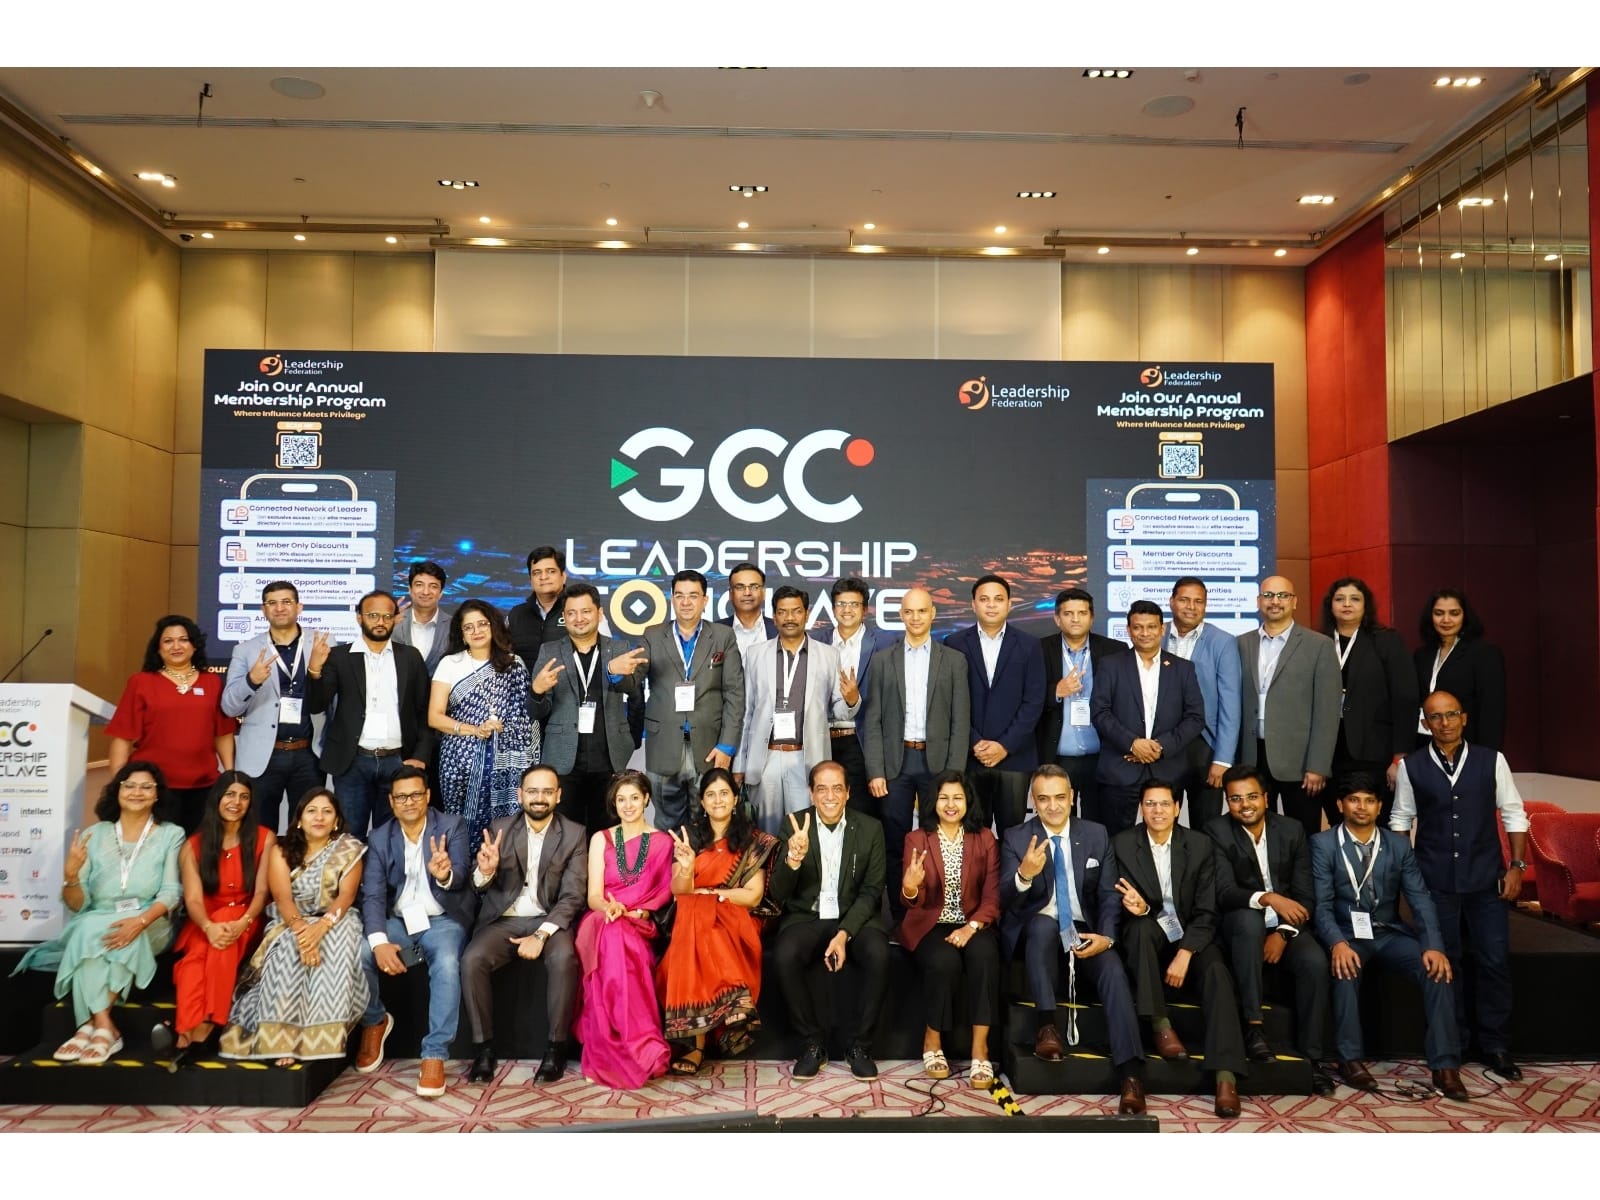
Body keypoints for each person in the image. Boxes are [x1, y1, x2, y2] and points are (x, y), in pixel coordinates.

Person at [1391, 691, 1527, 1081]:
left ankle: (1496, 1045)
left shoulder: (1492, 760)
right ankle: (1455, 1042)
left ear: (1464, 718)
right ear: (1425, 723)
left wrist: (1517, 867)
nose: (1445, 723)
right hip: (1434, 882)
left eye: (1451, 715)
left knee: (1493, 961)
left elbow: (1513, 813)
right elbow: (1401, 820)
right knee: (1446, 963)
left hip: (1486, 880)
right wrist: (1407, 875)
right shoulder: (1411, 766)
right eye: (1435, 717)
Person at [14, 762, 184, 1065]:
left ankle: (87, 1026)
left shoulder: (171, 834)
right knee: (87, 928)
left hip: (150, 920)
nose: (137, 792)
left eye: (146, 787)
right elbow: (78, 905)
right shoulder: (95, 834)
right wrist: (70, 876)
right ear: (117, 790)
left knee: (106, 933)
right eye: (129, 785)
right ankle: (103, 1025)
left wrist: (140, 921)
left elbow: (171, 893)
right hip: (97, 917)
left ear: (157, 795)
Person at [999, 765, 1147, 1115]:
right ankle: (1047, 1027)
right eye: (1043, 799)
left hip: (1085, 927)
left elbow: (1109, 896)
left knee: (1112, 970)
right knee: (1040, 926)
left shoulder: (1096, 834)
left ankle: (1131, 1075)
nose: (1052, 806)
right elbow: (1004, 900)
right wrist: (1024, 875)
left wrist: (1107, 937)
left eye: (1059, 797)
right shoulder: (1016, 837)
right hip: (1040, 925)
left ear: (1072, 797)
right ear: (1033, 801)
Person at [1312, 772, 1466, 1101]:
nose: (1362, 807)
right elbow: (1321, 905)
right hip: (1348, 934)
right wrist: (1337, 943)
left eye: (1369, 801)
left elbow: (1420, 899)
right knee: (1345, 969)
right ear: (1340, 805)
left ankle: (1445, 1066)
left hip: (1388, 932)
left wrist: (1433, 946)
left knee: (1437, 970)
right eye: (1354, 800)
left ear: (1380, 807)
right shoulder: (1323, 845)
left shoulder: (1398, 845)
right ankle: (1350, 1060)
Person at [1111, 782, 1248, 1118]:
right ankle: (1160, 1024)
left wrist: (1186, 952)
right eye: (1150, 804)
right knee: (1140, 930)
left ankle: (1226, 1078)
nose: (1157, 811)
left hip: (1194, 933)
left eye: (1164, 804)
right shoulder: (1123, 844)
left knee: (1217, 972)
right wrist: (1140, 908)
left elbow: (1207, 910)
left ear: (1177, 808)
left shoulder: (1200, 845)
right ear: (1141, 808)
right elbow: (1120, 903)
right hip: (1150, 930)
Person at [1205, 765, 1333, 1093]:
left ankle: (1313, 1059)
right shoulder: (1216, 831)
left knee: (1314, 961)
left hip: (1286, 926)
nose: (1244, 805)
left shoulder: (1292, 830)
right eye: (1235, 799)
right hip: (1238, 922)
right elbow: (1224, 892)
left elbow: (1305, 897)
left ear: (1265, 798)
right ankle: (1254, 1027)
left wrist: (1283, 934)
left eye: (1251, 797)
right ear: (1227, 801)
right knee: (1249, 921)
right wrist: (1269, 898)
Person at [219, 787, 369, 1066]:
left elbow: (346, 896)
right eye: (311, 811)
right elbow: (283, 898)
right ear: (299, 819)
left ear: (336, 821)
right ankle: (282, 1039)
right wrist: (303, 934)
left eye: (327, 812)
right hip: (291, 919)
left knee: (336, 946)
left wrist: (320, 929)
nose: (319, 817)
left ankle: (318, 1037)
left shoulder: (349, 849)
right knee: (287, 950)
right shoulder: (281, 850)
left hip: (335, 918)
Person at [461, 764, 588, 1085]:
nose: (539, 798)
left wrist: (541, 935)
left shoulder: (574, 834)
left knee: (564, 958)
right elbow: (478, 885)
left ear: (558, 795)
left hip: (549, 919)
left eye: (547, 791)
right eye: (532, 791)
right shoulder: (501, 828)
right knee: (472, 959)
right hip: (503, 919)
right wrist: (485, 872)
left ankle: (556, 1048)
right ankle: (484, 1050)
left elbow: (573, 896)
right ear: (520, 795)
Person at [354, 765, 472, 1098]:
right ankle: (375, 1021)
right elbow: (373, 894)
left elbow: (462, 875)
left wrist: (444, 874)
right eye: (402, 797)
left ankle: (434, 1054)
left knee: (446, 963)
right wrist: (379, 942)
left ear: (427, 796)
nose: (409, 802)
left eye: (416, 794)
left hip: (443, 920)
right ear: (391, 802)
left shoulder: (451, 826)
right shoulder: (380, 837)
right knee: (360, 952)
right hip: (401, 921)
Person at [769, 760, 891, 1080]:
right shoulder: (795, 825)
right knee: (784, 955)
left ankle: (860, 1047)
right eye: (821, 789)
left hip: (854, 916)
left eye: (837, 788)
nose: (830, 796)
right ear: (811, 793)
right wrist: (793, 859)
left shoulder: (870, 828)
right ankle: (812, 1044)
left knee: (879, 953)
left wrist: (844, 933)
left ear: (848, 792)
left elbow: (872, 891)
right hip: (807, 915)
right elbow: (778, 892)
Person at [658, 767, 779, 1074]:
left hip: (738, 918)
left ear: (736, 799)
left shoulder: (753, 840)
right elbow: (679, 892)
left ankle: (695, 1046)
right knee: (695, 916)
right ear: (701, 801)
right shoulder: (689, 839)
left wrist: (709, 894)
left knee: (698, 918)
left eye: (724, 793)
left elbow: (752, 897)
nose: (718, 800)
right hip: (694, 921)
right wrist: (686, 868)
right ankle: (734, 1002)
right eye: (710, 794)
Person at [154, 771, 274, 1072]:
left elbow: (262, 892)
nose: (236, 802)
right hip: (204, 921)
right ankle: (188, 1033)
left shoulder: (264, 838)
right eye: (230, 794)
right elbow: (193, 900)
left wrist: (244, 921)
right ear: (217, 799)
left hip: (246, 918)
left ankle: (205, 1025)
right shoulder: (193, 845)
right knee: (192, 962)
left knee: (222, 944)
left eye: (244, 797)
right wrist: (208, 926)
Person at [861, 586, 970, 916]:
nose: (915, 617)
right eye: (909, 611)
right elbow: (873, 720)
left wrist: (953, 775)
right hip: (896, 763)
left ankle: (935, 913)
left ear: (933, 614)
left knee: (938, 840)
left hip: (938, 764)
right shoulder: (883, 660)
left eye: (922, 611)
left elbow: (960, 720)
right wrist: (876, 770)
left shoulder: (953, 661)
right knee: (895, 841)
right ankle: (900, 915)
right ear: (901, 615)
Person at [898, 771, 1001, 1088]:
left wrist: (971, 927)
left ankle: (980, 1049)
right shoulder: (917, 839)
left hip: (974, 920)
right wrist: (910, 887)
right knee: (944, 961)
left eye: (958, 797)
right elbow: (911, 902)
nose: (951, 804)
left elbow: (992, 897)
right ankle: (932, 1039)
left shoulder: (985, 838)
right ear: (933, 802)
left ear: (969, 801)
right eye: (944, 797)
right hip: (930, 921)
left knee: (985, 956)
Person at [573, 771, 674, 1089]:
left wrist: (639, 911)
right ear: (613, 804)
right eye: (621, 799)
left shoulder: (663, 842)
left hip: (640, 922)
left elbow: (664, 892)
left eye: (634, 798)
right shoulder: (600, 839)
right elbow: (593, 895)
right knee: (613, 934)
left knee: (623, 942)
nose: (628, 805)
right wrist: (610, 908)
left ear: (646, 799)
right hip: (602, 918)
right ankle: (620, 1048)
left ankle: (638, 1044)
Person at [307, 590, 435, 839]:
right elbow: (316, 704)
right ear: (359, 618)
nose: (380, 622)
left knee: (393, 838)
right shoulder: (339, 657)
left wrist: (420, 756)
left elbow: (423, 711)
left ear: (395, 619)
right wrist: (314, 670)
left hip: (398, 761)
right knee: (349, 837)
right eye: (373, 615)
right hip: (353, 761)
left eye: (387, 616)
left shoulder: (410, 657)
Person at [735, 584, 857, 835]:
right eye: (782, 612)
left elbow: (839, 711)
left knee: (804, 832)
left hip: (806, 758)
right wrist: (740, 763)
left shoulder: (828, 655)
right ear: (774, 616)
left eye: (796, 611)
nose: (789, 618)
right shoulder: (755, 654)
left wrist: (851, 700)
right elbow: (746, 712)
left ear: (806, 614)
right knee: (766, 835)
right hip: (766, 758)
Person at [531, 582, 645, 835]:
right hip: (563, 760)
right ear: (564, 616)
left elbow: (635, 694)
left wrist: (631, 739)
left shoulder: (619, 649)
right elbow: (536, 712)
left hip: (610, 760)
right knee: (563, 835)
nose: (579, 618)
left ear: (599, 613)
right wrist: (536, 692)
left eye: (585, 611)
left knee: (607, 836)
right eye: (571, 613)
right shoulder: (549, 651)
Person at [106, 615, 236, 834]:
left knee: (198, 848)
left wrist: (230, 775)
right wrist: (118, 784)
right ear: (158, 648)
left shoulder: (212, 682)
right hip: (153, 787)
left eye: (183, 640)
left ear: (194, 645)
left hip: (204, 786)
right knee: (156, 849)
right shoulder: (141, 682)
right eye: (168, 641)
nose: (176, 646)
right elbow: (123, 737)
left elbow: (222, 734)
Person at [1235, 575, 1342, 840]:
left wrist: (1318, 765)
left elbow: (1327, 713)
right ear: (1258, 601)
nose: (1275, 601)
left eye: (1282, 595)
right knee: (1257, 835)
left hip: (1300, 763)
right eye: (1268, 595)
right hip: (1253, 757)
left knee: (1302, 835)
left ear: (1294, 602)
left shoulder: (1319, 646)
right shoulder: (1241, 644)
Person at [428, 599, 538, 853]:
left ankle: (502, 873)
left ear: (493, 626)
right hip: (459, 761)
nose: (476, 631)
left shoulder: (513, 664)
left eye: (482, 624)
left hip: (507, 763)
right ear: (461, 634)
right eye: (469, 627)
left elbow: (527, 718)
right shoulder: (450, 663)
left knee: (505, 830)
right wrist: (474, 730)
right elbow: (435, 717)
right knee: (460, 827)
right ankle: (461, 872)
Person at [639, 569, 745, 831]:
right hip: (664, 746)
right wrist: (616, 674)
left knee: (708, 824)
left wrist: (727, 746)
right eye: (679, 595)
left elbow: (734, 693)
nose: (686, 602)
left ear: (705, 600)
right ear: (672, 599)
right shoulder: (652, 635)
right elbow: (634, 680)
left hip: (709, 748)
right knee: (667, 825)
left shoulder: (722, 636)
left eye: (693, 596)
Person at [1090, 600, 1206, 835]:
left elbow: (1195, 718)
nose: (1145, 633)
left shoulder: (1183, 668)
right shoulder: (1110, 665)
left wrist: (1160, 747)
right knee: (1115, 840)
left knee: (1166, 838)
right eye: (1138, 627)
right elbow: (1100, 712)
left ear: (1162, 629)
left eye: (1151, 627)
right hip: (1120, 769)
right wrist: (1133, 744)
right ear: (1128, 630)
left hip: (1168, 770)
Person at [945, 574, 1046, 833]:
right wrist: (974, 742)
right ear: (973, 604)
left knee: (1012, 833)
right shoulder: (954, 644)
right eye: (984, 599)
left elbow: (1033, 702)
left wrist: (1004, 746)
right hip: (970, 756)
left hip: (1014, 757)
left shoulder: (1030, 645)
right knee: (972, 833)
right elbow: (949, 700)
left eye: (998, 599)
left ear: (1009, 604)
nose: (991, 605)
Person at [222, 581, 326, 832]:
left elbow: (333, 697)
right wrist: (251, 681)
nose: (280, 608)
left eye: (286, 602)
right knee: (258, 831)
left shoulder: (322, 643)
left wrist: (316, 672)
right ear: (263, 610)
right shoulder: (245, 650)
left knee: (307, 831)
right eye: (272, 603)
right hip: (263, 756)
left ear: (299, 607)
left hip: (309, 754)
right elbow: (229, 707)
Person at [1321, 576, 1417, 823]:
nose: (1347, 604)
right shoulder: (1318, 642)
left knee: (1376, 822)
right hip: (1330, 753)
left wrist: (1399, 756)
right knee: (1338, 820)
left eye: (1355, 599)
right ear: (1330, 605)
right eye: (1340, 599)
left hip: (1374, 752)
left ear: (1366, 606)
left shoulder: (1386, 641)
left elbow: (1405, 699)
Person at [1035, 587, 1127, 825]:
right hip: (1056, 756)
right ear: (1057, 618)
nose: (1075, 619)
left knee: (1098, 824)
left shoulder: (1115, 651)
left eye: (1082, 613)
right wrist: (1055, 691)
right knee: (1058, 823)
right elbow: (1026, 699)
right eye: (1068, 613)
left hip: (1102, 756)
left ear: (1092, 617)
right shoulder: (1038, 650)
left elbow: (1126, 702)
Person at [815, 576, 900, 821]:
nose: (847, 610)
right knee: (823, 812)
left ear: (865, 610)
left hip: (861, 741)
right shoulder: (816, 641)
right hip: (821, 740)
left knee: (861, 813)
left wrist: (855, 698)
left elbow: (891, 698)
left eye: (854, 604)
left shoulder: (885, 643)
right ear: (833, 608)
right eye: (841, 604)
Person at [1164, 578, 1242, 826]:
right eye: (1184, 600)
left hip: (1205, 745)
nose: (1191, 607)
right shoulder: (1156, 634)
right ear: (1172, 602)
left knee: (1207, 826)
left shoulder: (1223, 642)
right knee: (1163, 821)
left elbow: (1230, 704)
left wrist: (1223, 759)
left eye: (1199, 601)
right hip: (1164, 745)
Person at [1414, 587, 1507, 753]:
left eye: (1454, 613)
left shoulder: (1484, 653)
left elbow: (1491, 711)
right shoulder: (1422, 655)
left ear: (1465, 616)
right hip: (1426, 744)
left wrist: (1487, 756)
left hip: (1468, 745)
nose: (1446, 620)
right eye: (1439, 613)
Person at [508, 545, 573, 667]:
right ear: (530, 580)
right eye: (537, 573)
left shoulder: (581, 612)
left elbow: (603, 654)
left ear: (563, 577)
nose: (543, 577)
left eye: (551, 571)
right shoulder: (516, 615)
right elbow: (501, 657)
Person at [392, 560, 452, 675]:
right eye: (419, 585)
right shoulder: (393, 623)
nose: (425, 592)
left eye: (433, 586)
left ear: (441, 593)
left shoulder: (454, 626)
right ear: (410, 589)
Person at [722, 560, 777, 661]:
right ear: (730, 594)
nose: (747, 593)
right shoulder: (714, 631)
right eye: (740, 587)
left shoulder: (779, 630)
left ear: (764, 592)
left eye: (754, 587)